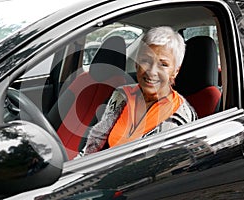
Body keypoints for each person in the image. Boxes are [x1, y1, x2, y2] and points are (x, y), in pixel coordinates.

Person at [79, 26, 197, 156]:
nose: (152, 72)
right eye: (146, 61)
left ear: (175, 71)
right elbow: (95, 140)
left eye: (163, 64)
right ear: (136, 64)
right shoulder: (121, 95)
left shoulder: (181, 117)